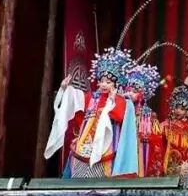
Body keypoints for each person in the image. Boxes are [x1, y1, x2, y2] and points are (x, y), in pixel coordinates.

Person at [44, 47, 140, 178]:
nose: (104, 84)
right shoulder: (92, 97)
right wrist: (65, 89)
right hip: (85, 143)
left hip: (106, 145)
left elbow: (119, 117)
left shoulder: (121, 101)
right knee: (79, 176)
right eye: (101, 81)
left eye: (108, 82)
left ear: (115, 84)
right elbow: (76, 103)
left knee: (100, 180)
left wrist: (111, 103)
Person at [123, 62, 166, 177]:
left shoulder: (148, 115)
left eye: (134, 91)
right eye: (128, 90)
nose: (130, 94)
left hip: (141, 150)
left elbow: (156, 139)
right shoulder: (122, 110)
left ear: (142, 94)